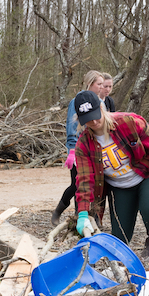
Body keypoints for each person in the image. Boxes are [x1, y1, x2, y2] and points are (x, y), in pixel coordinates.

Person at [72, 91, 149, 258]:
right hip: (120, 187)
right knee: (119, 239)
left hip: (147, 174)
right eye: (88, 119)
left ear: (102, 108)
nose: (94, 121)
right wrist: (83, 213)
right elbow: (85, 180)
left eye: (96, 115)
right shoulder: (84, 144)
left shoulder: (128, 122)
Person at [52, 71, 118, 225]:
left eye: (104, 84)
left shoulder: (101, 102)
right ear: (90, 84)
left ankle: (94, 219)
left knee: (98, 184)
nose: (102, 87)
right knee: (78, 184)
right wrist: (72, 150)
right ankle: (70, 214)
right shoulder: (76, 102)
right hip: (79, 148)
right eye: (99, 84)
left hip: (97, 149)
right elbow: (72, 126)